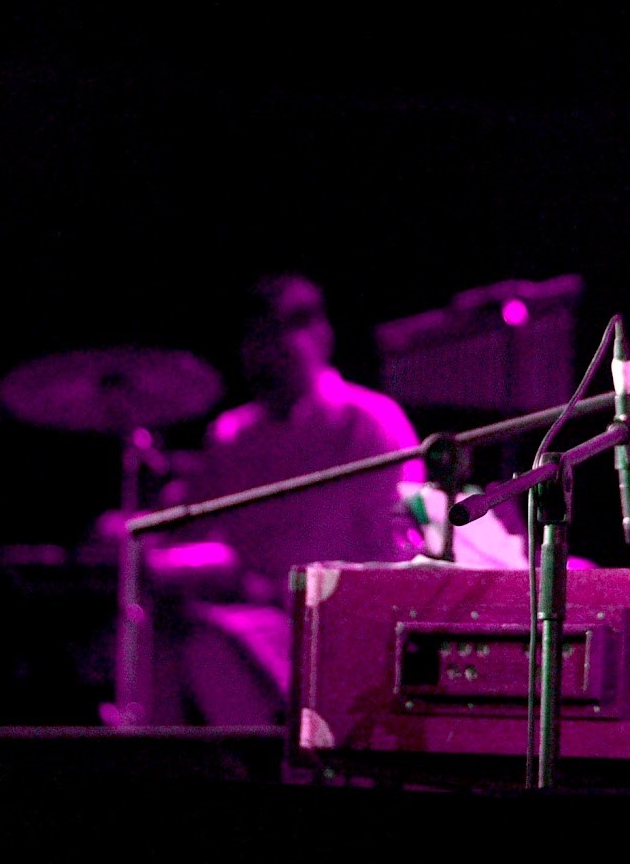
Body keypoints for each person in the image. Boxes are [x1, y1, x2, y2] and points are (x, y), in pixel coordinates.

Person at [143, 274, 426, 725]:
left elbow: (402, 548)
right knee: (171, 625)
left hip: (345, 624)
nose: (269, 350)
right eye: (257, 337)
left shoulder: (368, 421)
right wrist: (137, 538)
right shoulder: (233, 435)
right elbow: (187, 526)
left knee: (207, 648)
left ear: (322, 336)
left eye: (282, 332)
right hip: (260, 622)